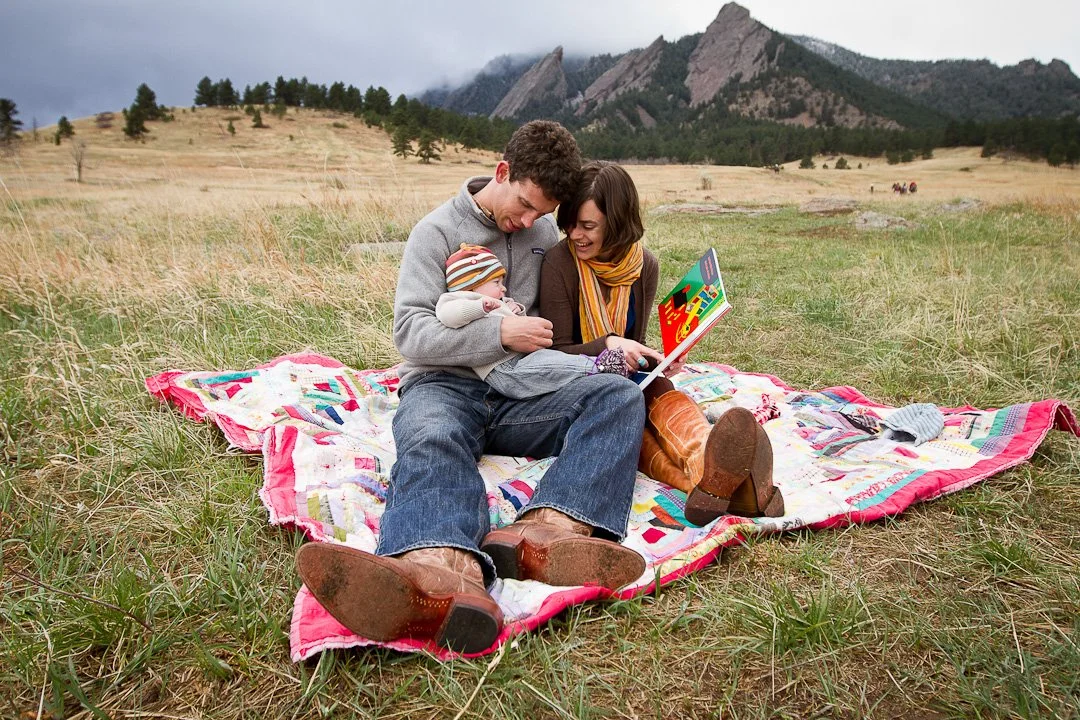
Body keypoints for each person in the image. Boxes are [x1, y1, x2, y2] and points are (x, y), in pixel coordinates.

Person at [295, 121, 646, 655]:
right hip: (444, 383)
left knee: (620, 395)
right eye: (525, 205)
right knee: (433, 434)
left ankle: (546, 533)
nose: (529, 222)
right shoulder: (434, 232)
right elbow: (409, 332)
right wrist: (498, 331)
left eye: (541, 215)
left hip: (516, 392)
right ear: (502, 172)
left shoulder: (541, 235)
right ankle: (439, 572)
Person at [539, 161, 785, 527]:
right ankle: (730, 484)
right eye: (570, 224)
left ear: (618, 222)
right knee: (630, 409)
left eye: (588, 226)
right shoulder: (559, 263)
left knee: (656, 386)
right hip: (574, 383)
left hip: (620, 377)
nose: (576, 235)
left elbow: (633, 343)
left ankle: (706, 470)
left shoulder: (644, 266)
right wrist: (609, 345)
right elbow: (555, 354)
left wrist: (658, 358)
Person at [436, 242, 630, 399]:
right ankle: (598, 368)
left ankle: (591, 364)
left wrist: (515, 311)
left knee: (552, 360)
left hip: (520, 357)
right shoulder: (460, 299)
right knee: (546, 370)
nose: (503, 289)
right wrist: (480, 307)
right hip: (501, 369)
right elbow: (449, 316)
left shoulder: (498, 302)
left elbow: (517, 324)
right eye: (496, 283)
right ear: (472, 285)